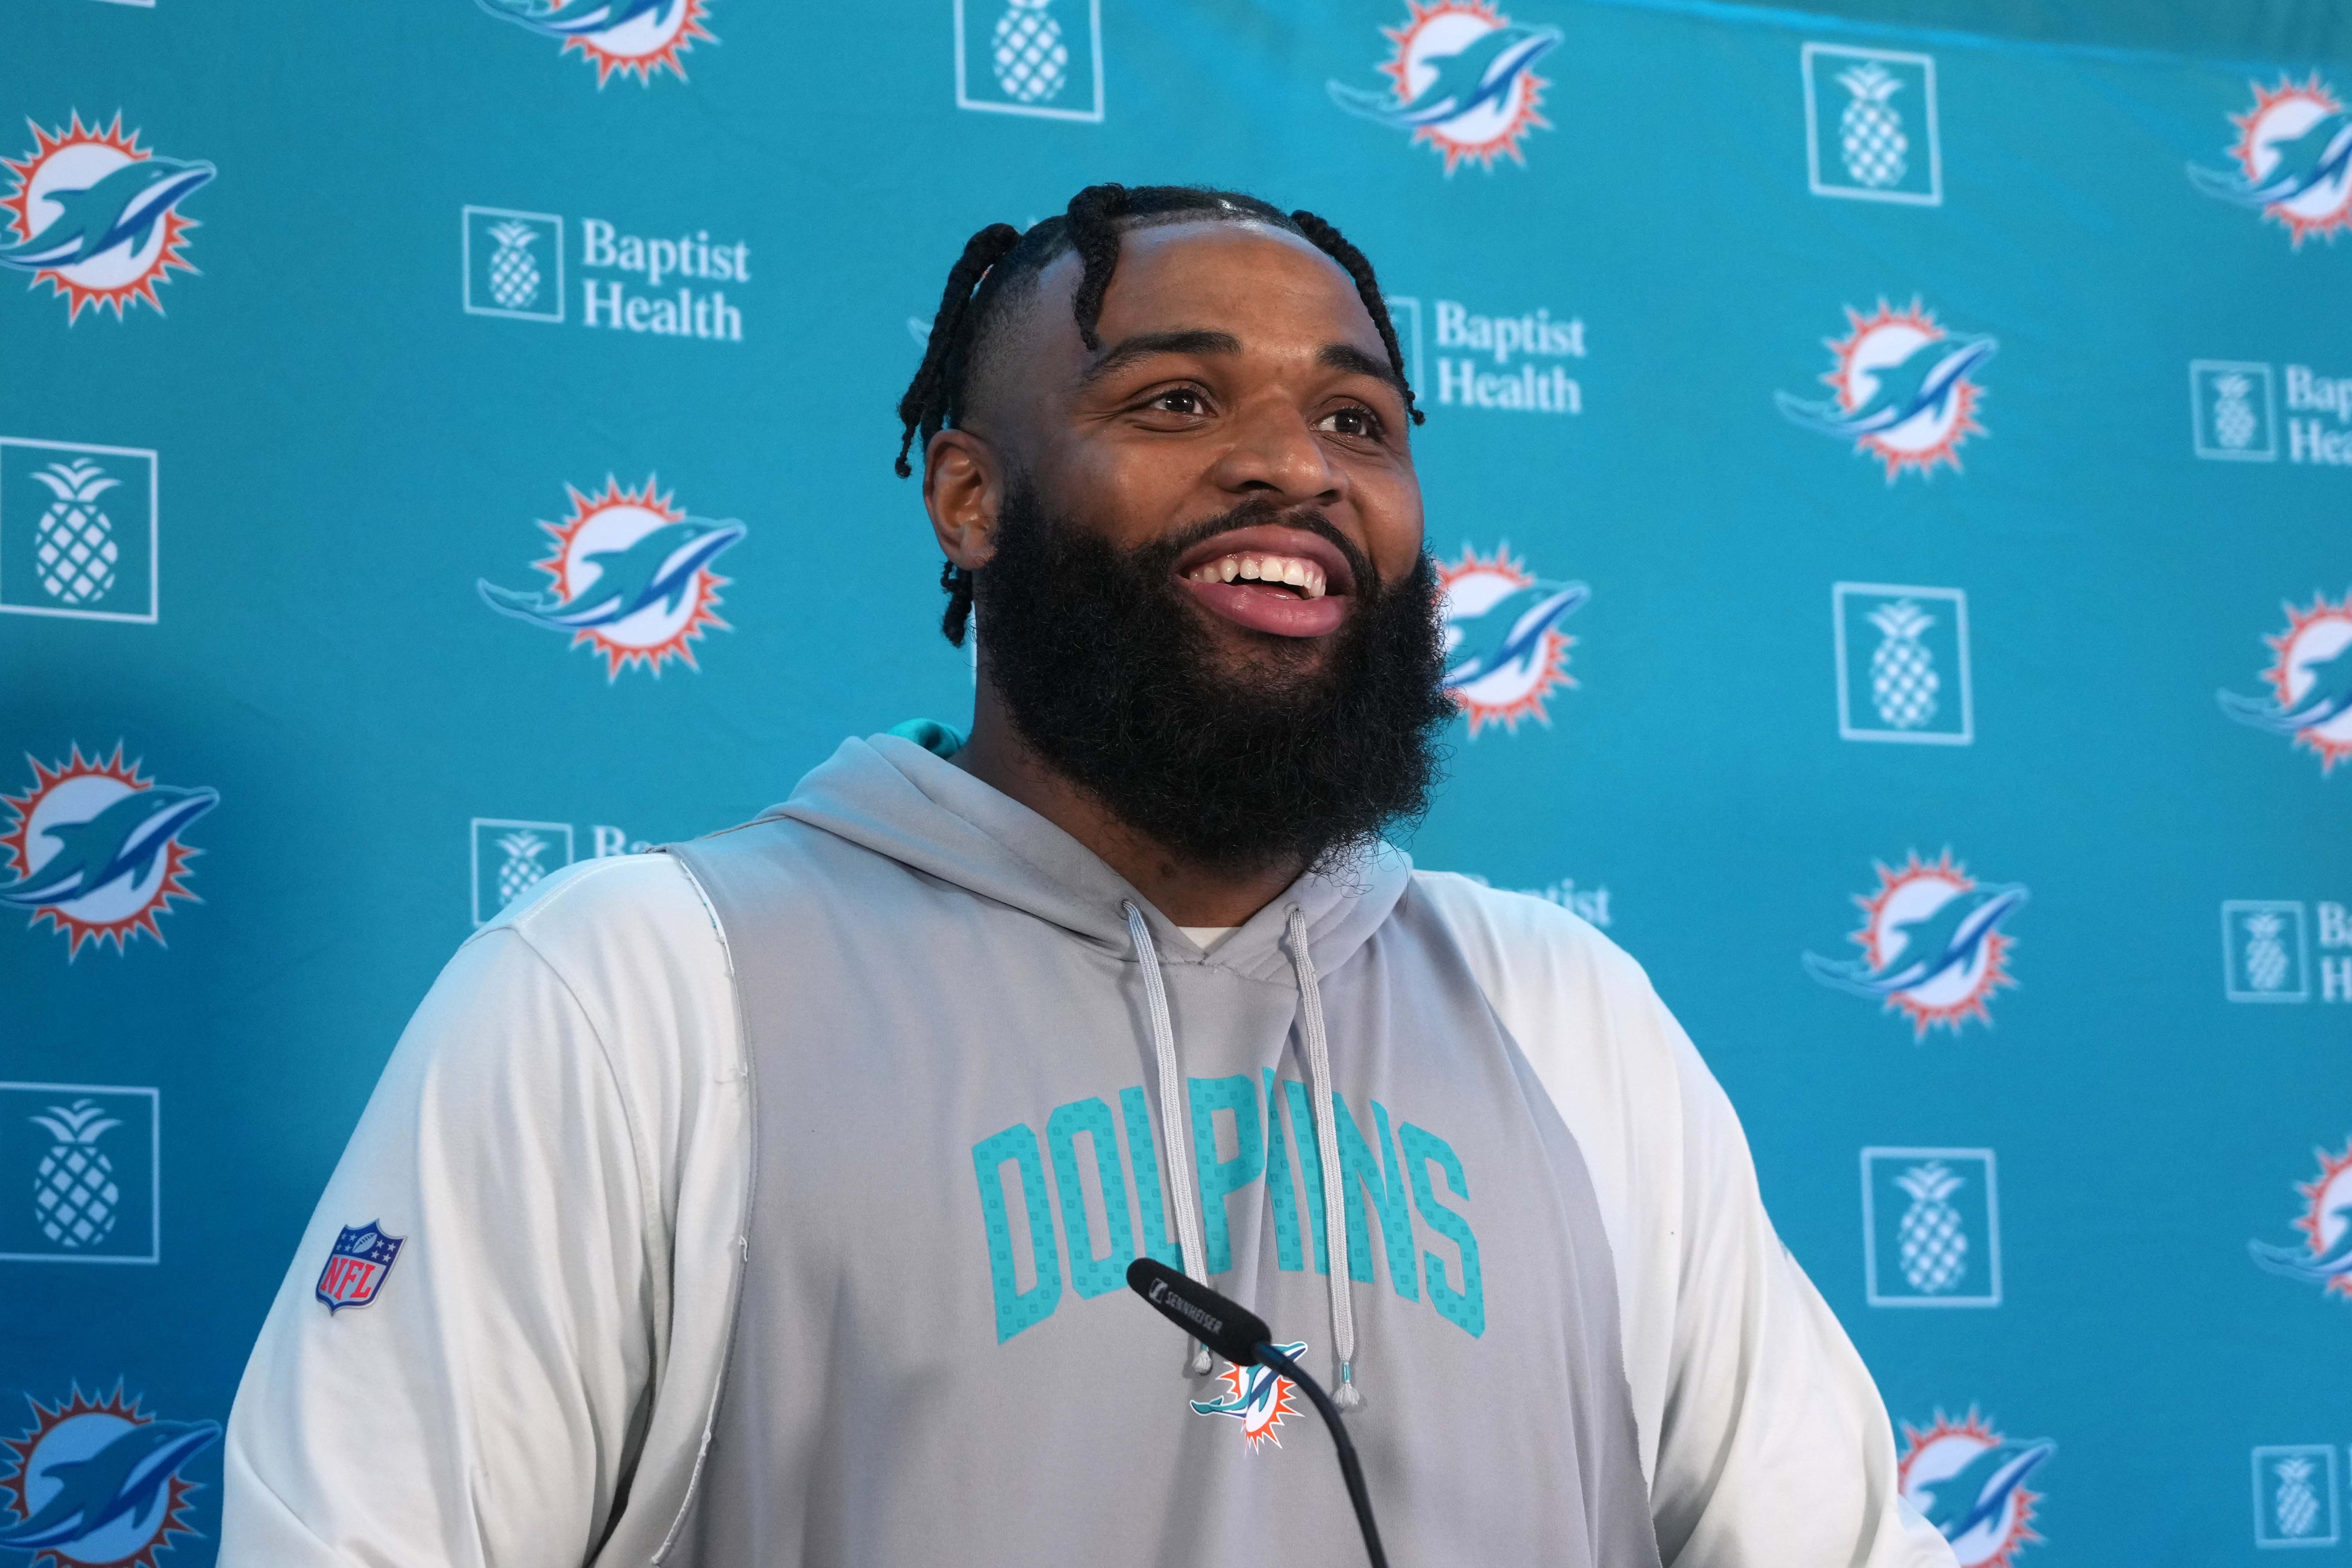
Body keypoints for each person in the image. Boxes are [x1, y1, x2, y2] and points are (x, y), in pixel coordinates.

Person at [220, 183, 1957, 1568]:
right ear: (970, 499)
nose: (1296, 465)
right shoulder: (647, 987)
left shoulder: (1564, 1016)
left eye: (1358, 420)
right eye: (1177, 400)